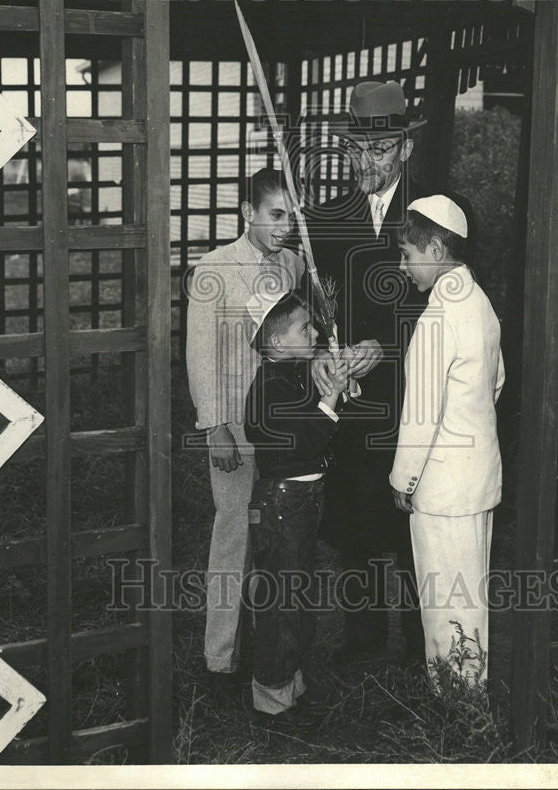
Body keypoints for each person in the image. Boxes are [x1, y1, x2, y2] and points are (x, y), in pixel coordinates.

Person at [306, 80, 427, 662]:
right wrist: (321, 355)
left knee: (410, 524)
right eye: (356, 150)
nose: (366, 162)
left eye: (379, 151)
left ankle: (419, 648)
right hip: (352, 405)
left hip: (413, 401)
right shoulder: (329, 218)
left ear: (405, 147)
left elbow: (446, 306)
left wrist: (386, 345)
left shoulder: (436, 215)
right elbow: (313, 299)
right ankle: (362, 642)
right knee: (356, 522)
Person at [185, 168, 304, 695]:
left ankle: (269, 651)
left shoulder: (296, 267)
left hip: (282, 427)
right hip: (233, 424)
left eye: (292, 217)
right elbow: (199, 356)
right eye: (276, 215)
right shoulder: (214, 269)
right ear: (247, 214)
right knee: (234, 532)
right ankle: (220, 656)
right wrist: (215, 427)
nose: (285, 227)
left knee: (279, 539)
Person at [390, 194, 505, 684]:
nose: (403, 266)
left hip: (441, 492)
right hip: (478, 481)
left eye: (408, 254)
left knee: (443, 607)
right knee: (470, 598)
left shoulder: (436, 320)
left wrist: (402, 480)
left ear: (436, 250)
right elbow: (497, 380)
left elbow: (420, 417)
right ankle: (469, 700)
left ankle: (456, 714)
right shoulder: (480, 304)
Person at [244, 290, 350, 728]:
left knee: (295, 593)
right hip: (283, 504)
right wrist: (330, 401)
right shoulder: (270, 386)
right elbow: (301, 438)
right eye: (305, 328)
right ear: (277, 342)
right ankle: (271, 696)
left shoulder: (289, 375)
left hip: (299, 503)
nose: (317, 332)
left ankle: (289, 683)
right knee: (281, 601)